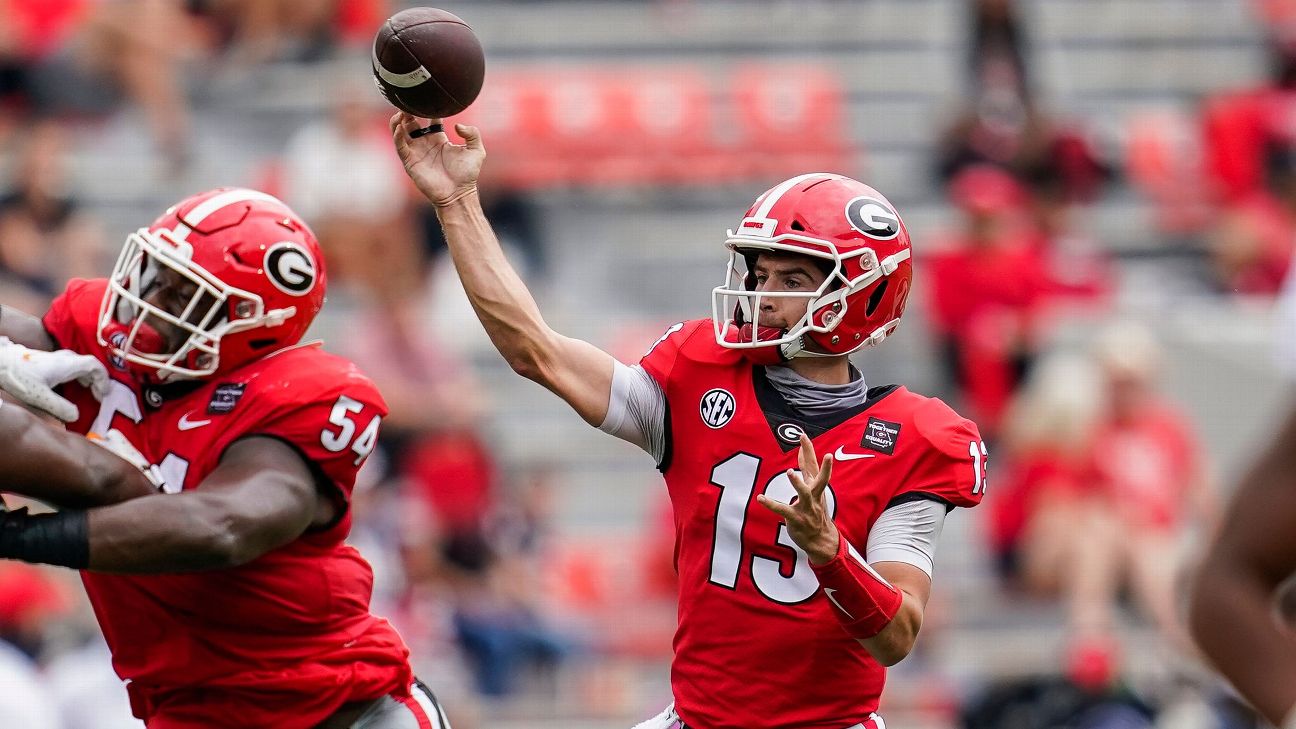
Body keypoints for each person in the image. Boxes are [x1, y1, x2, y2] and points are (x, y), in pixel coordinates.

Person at [391, 112, 987, 729]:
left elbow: (896, 637)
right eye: (759, 273)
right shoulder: (698, 376)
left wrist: (828, 550)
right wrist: (457, 200)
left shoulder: (916, 436)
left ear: (861, 296)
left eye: (791, 278)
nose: (760, 292)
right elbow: (534, 349)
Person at [0, 187, 452, 728]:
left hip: (335, 711)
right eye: (155, 276)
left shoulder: (297, 399)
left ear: (248, 324)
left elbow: (223, 526)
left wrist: (22, 537)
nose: (150, 302)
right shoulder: (106, 339)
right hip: (191, 712)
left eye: (181, 295)